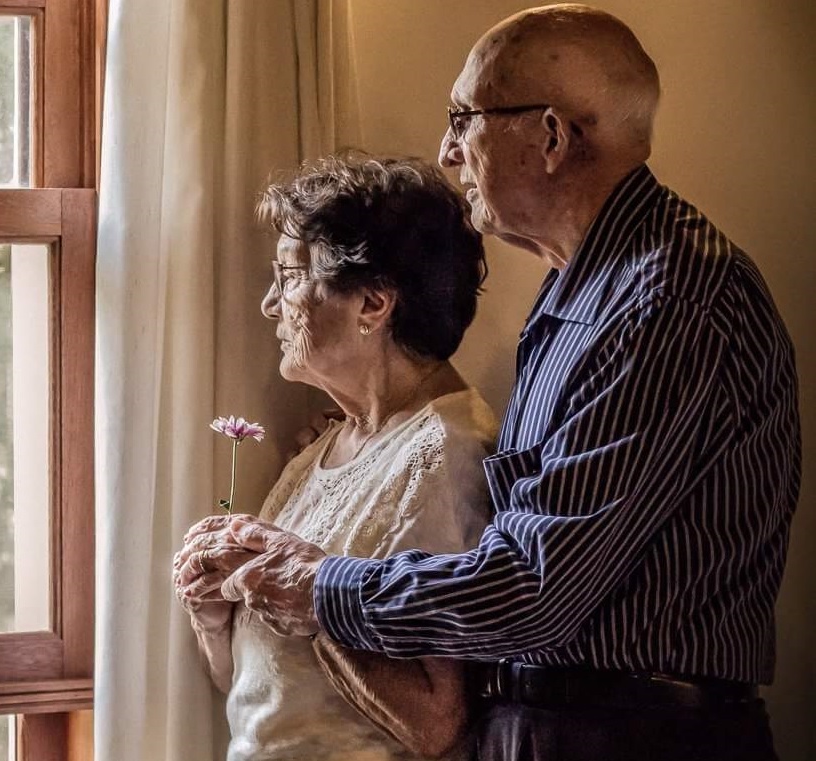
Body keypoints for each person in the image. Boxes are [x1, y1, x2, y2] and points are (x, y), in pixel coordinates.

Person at [179, 5, 802, 761]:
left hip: (634, 733)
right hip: (563, 725)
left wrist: (318, 586)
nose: (448, 151)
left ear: (551, 137)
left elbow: (539, 585)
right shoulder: (584, 294)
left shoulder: (669, 299)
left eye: (464, 119)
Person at [173, 153, 498, 760]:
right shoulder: (322, 451)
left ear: (373, 303)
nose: (271, 305)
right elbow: (270, 695)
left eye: (289, 277)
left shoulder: (447, 456)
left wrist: (314, 605)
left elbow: (439, 722)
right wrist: (213, 618)